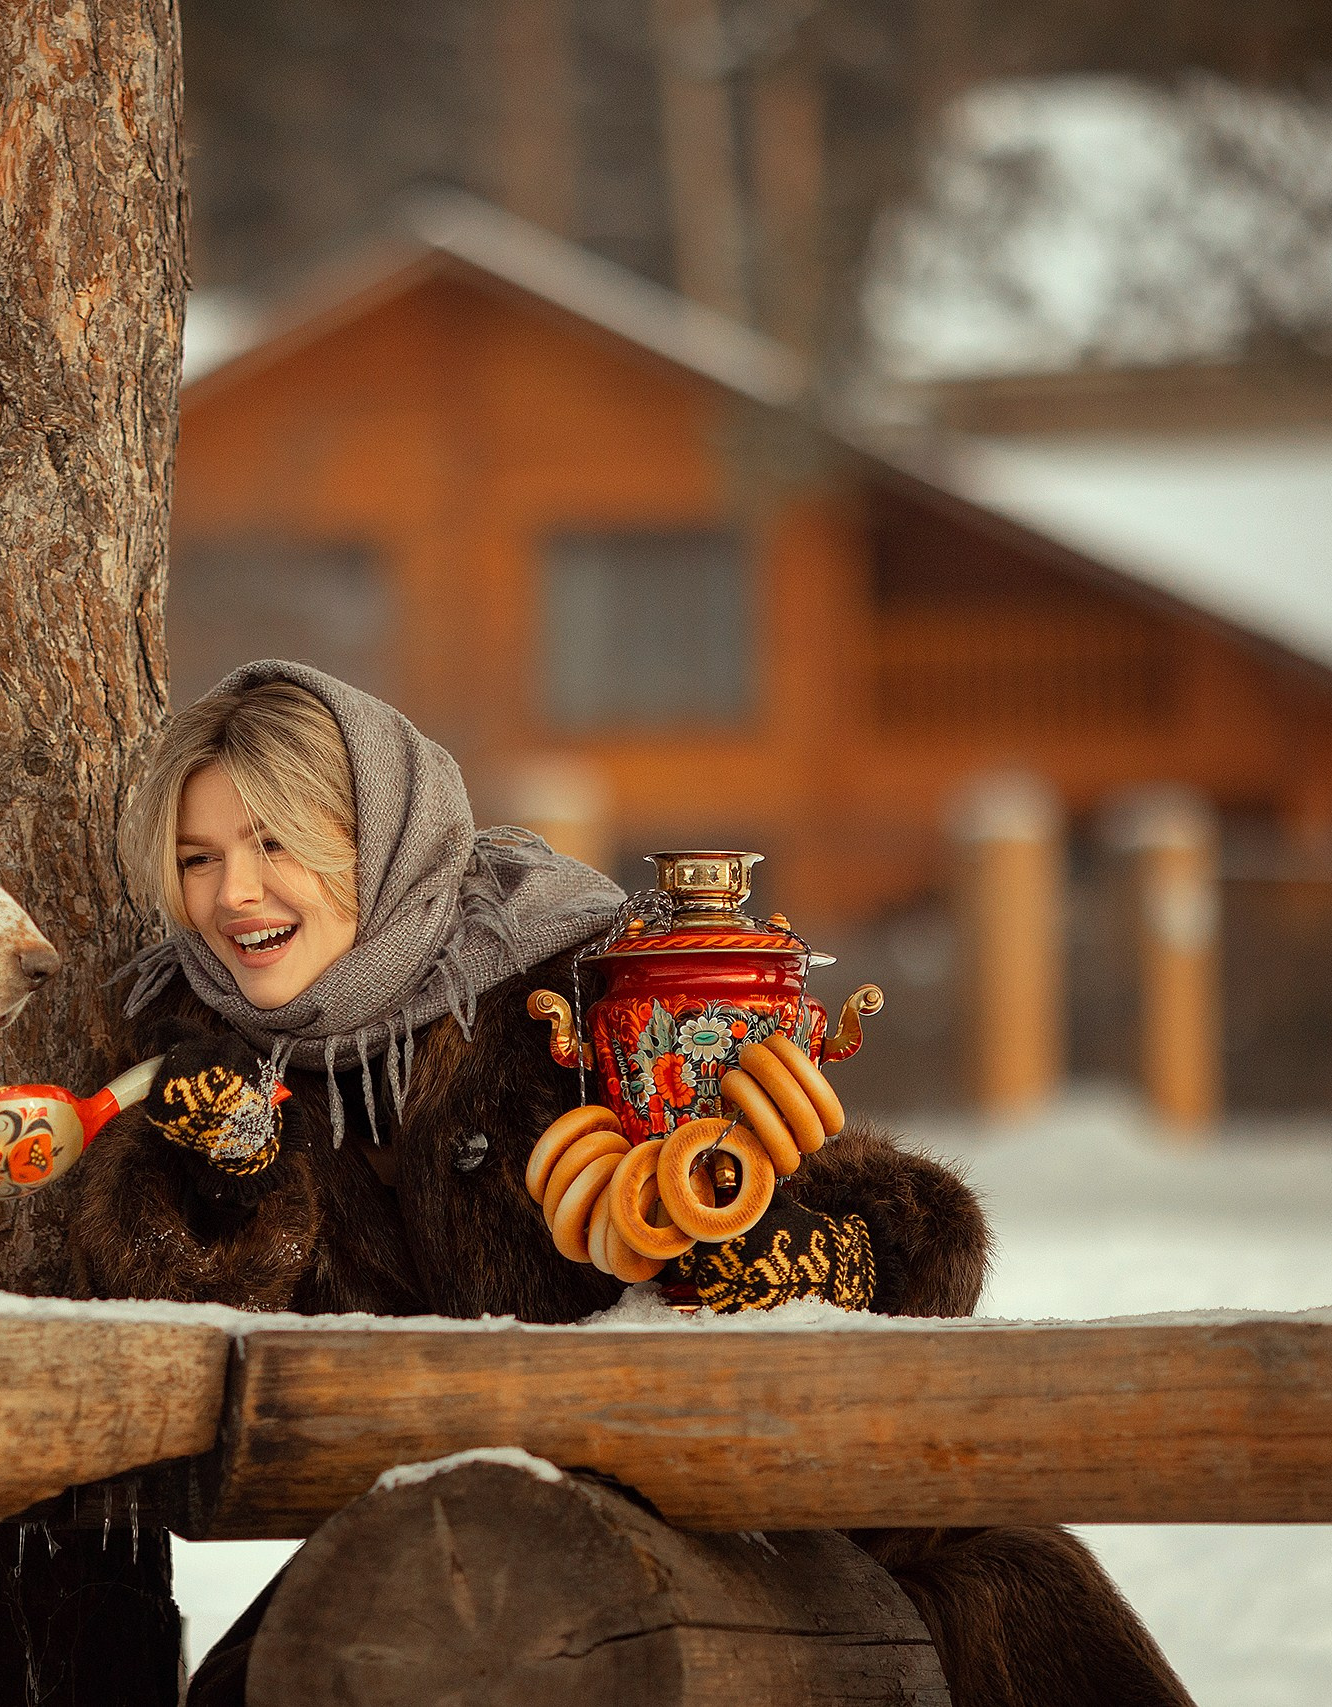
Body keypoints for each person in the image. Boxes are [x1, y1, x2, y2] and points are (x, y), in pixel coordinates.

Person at [68, 659, 1192, 1707]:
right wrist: (232, 1180)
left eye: (274, 843)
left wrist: (808, 1251)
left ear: (375, 838)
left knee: (1002, 1599)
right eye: (199, 858)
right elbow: (161, 1328)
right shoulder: (185, 1049)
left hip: (758, 1522)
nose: (234, 896)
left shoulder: (571, 972)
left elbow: (893, 1215)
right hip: (446, 1558)